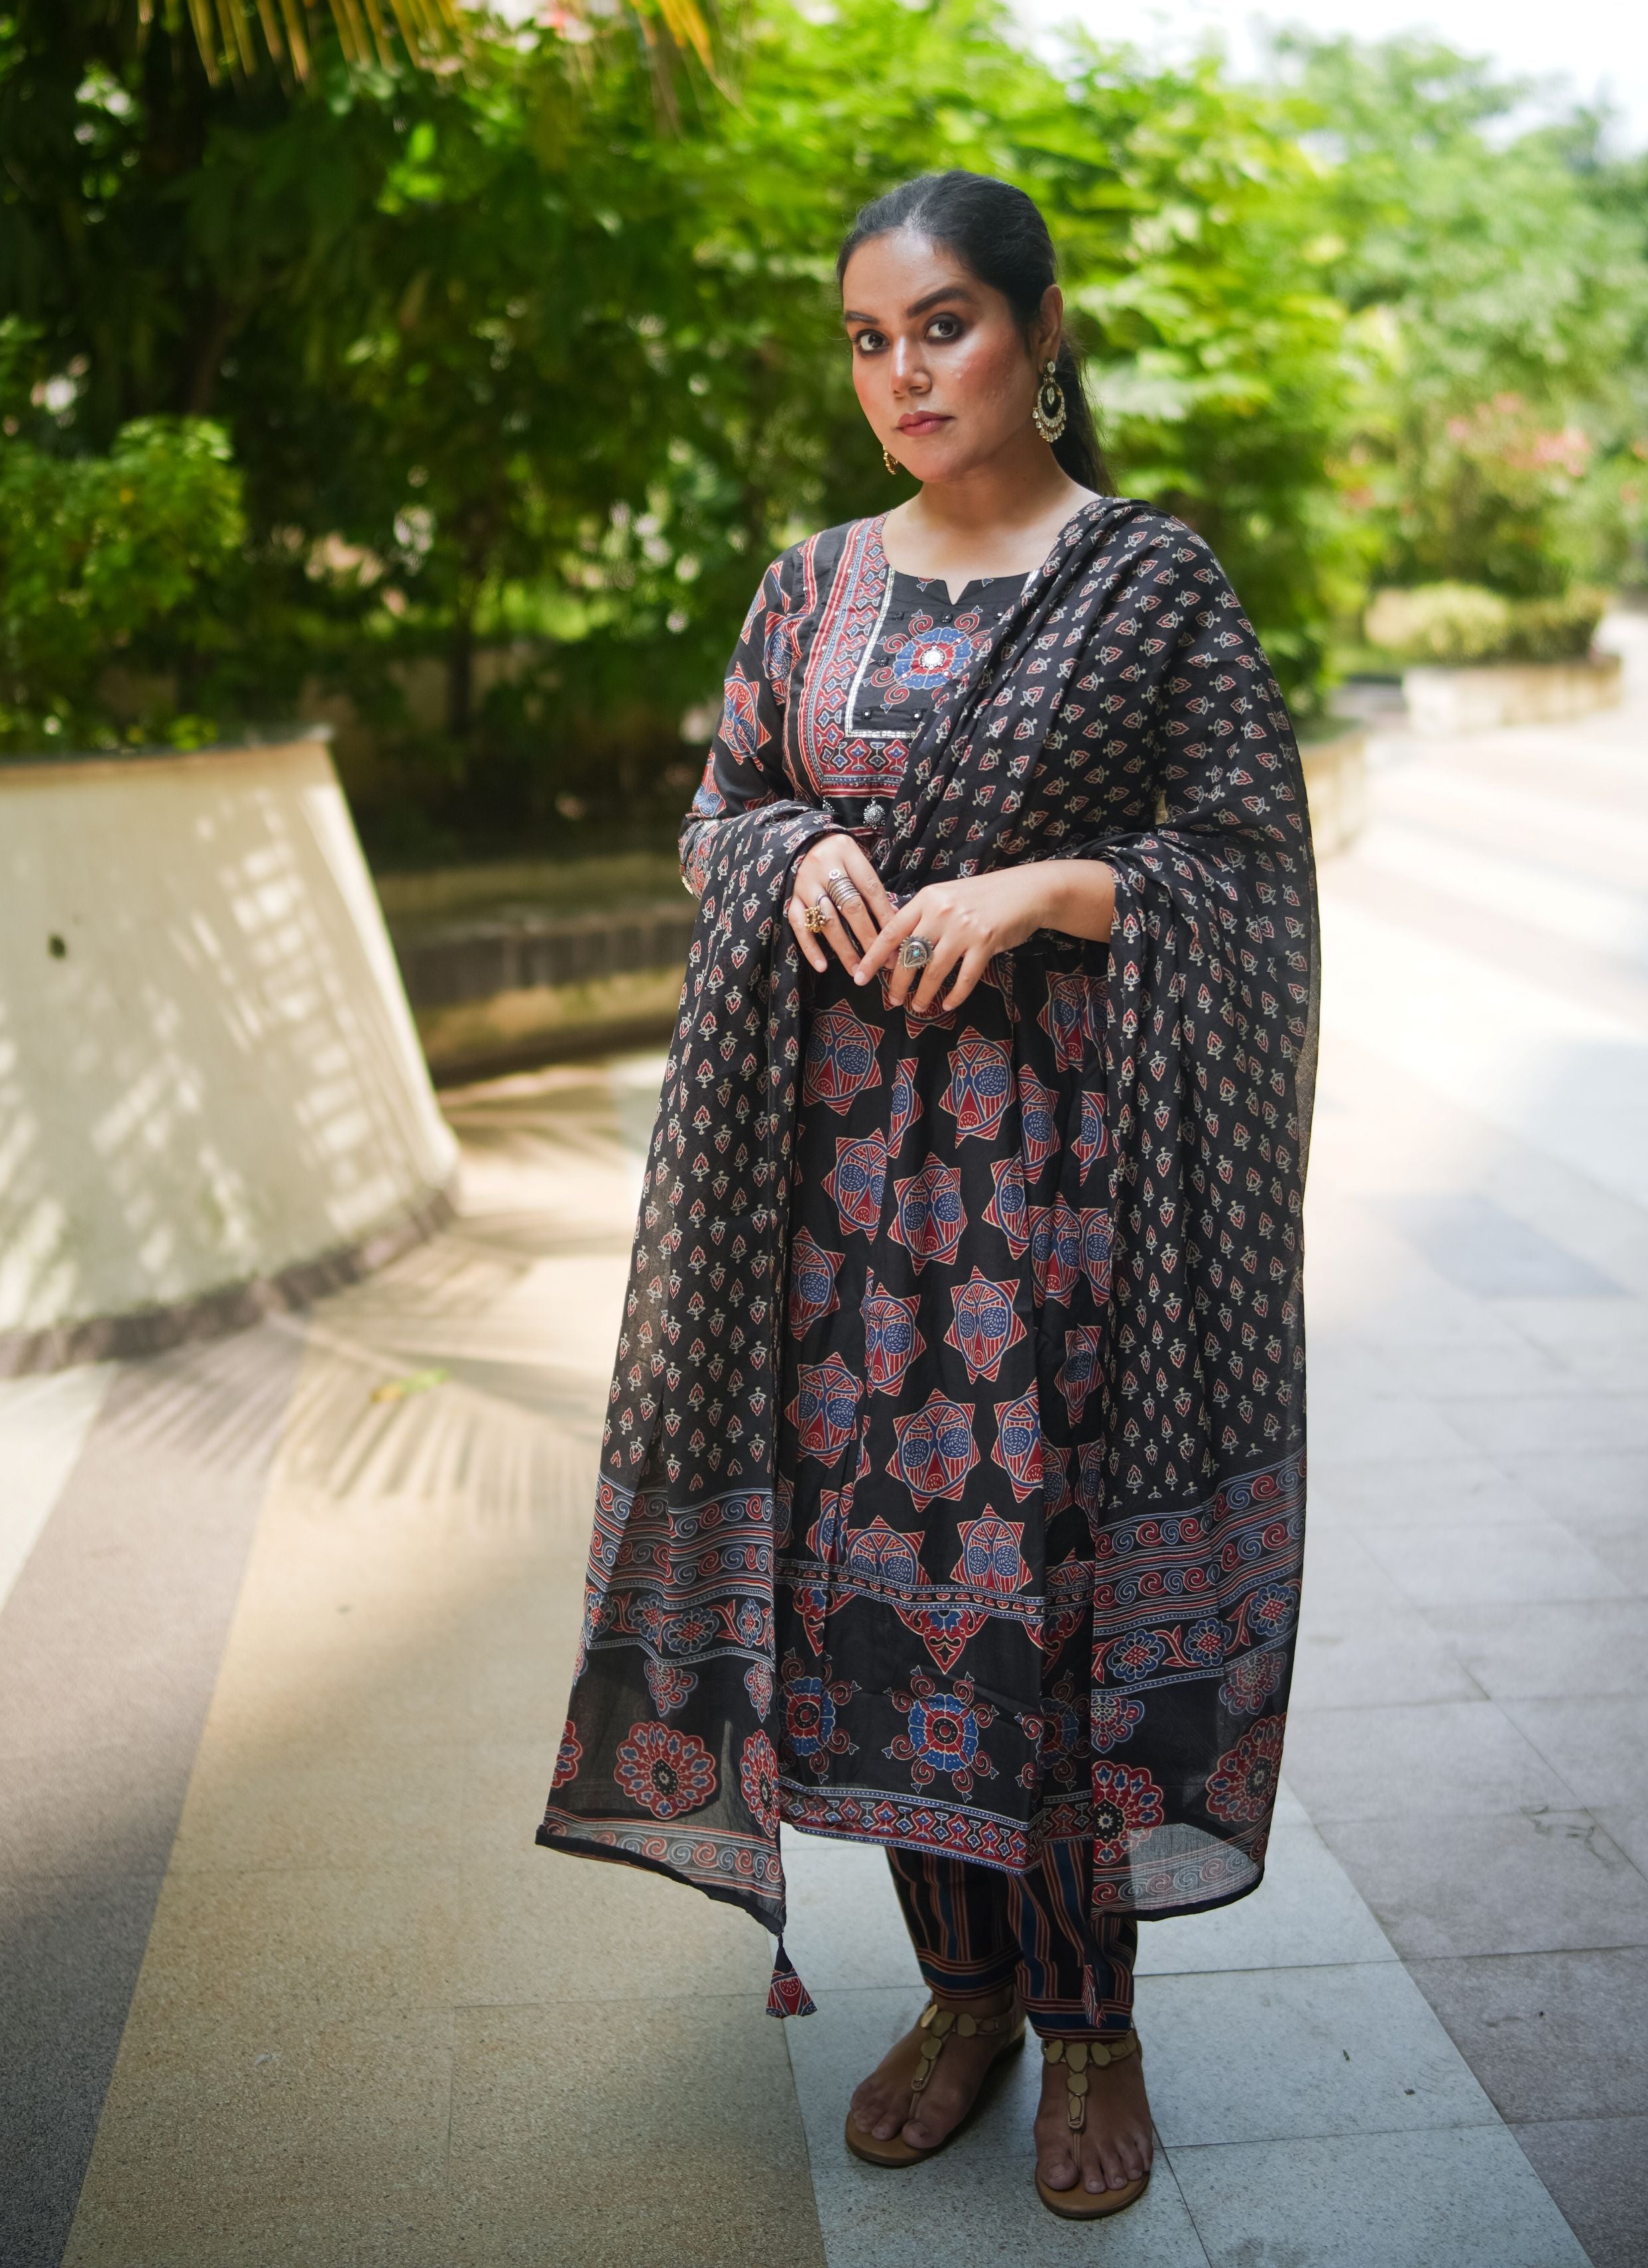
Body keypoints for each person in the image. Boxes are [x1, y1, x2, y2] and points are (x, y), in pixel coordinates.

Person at [540, 170, 1316, 2220]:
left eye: (947, 325)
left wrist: (1055, 886)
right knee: (867, 1617)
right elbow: (718, 811)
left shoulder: (1151, 582)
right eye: (872, 338)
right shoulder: (807, 585)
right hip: (826, 1210)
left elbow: (1251, 876)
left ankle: (1090, 2032)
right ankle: (959, 2000)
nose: (905, 372)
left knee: (1043, 1622)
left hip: (1064, 1214)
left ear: (1045, 330)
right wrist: (784, 847)